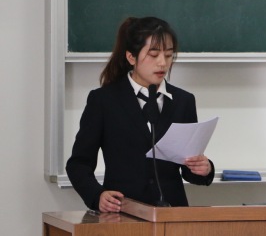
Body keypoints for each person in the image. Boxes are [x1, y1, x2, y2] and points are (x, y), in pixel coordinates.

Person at [66, 16, 215, 212]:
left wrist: (204, 168)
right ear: (131, 57)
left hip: (171, 214)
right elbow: (78, 164)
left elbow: (188, 170)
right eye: (153, 55)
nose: (162, 63)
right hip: (123, 212)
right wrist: (97, 195)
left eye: (169, 55)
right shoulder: (104, 100)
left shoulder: (183, 101)